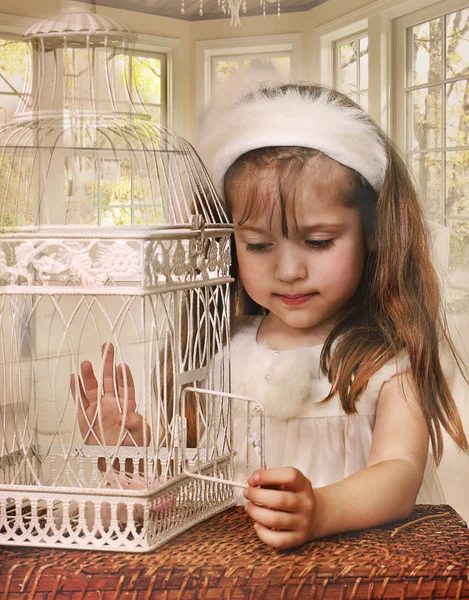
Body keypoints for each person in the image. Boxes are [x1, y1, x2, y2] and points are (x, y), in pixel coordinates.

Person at [73, 79, 468, 549]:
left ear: (372, 234)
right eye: (258, 245)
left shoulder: (386, 357)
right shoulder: (224, 349)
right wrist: (129, 449)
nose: (288, 271)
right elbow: (191, 471)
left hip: (354, 570)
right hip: (235, 570)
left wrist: (321, 510)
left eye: (318, 242)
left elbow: (399, 474)